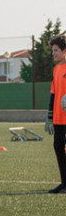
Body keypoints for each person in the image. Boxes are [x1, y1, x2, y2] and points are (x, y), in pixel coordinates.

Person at [45, 35, 66, 193]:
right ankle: (64, 182)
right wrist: (49, 117)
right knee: (58, 146)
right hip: (59, 118)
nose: (53, 53)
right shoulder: (56, 69)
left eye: (56, 50)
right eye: (52, 50)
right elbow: (53, 94)